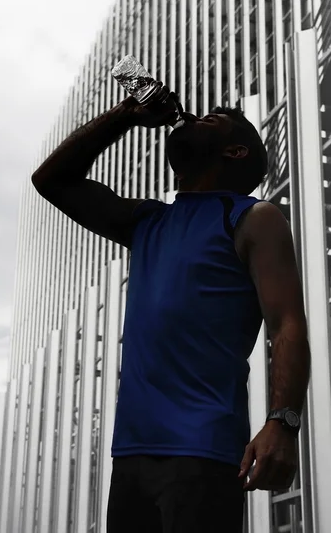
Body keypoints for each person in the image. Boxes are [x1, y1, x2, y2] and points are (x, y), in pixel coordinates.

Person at [32, 83, 311, 533]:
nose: (192, 119)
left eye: (211, 121)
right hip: (131, 453)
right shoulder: (149, 221)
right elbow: (51, 181)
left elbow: (287, 325)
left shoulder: (252, 216)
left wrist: (283, 422)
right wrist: (126, 114)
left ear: (235, 152)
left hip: (203, 449)